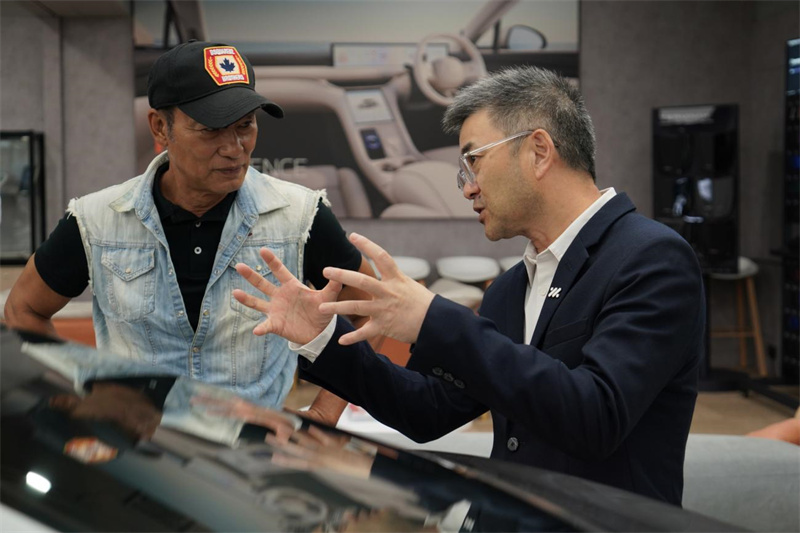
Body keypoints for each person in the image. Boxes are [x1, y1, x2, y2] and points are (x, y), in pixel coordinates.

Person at [232, 66, 706, 506]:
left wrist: (433, 318)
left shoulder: (650, 258)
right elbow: (427, 410)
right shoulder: (510, 289)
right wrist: (323, 339)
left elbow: (596, 417)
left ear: (539, 151)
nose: (467, 187)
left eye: (474, 161)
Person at [2, 40, 376, 424]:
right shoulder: (97, 220)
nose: (234, 148)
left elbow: (373, 310)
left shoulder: (299, 217)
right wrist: (76, 390)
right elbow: (23, 310)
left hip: (253, 450)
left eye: (245, 125)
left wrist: (324, 415)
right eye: (211, 129)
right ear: (160, 127)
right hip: (139, 446)